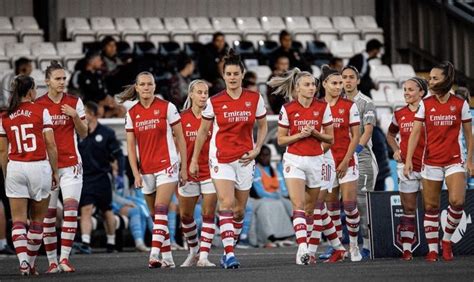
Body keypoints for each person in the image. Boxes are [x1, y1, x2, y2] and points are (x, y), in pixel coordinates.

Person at [189, 49, 268, 269]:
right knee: (226, 203)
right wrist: (195, 159)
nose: (232, 77)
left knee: (239, 210)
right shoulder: (214, 101)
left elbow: (263, 125)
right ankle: (229, 253)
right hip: (221, 158)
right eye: (228, 74)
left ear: (242, 74)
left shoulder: (254, 98)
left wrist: (257, 148)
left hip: (245, 159)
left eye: (236, 73)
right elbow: (203, 132)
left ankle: (228, 246)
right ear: (224, 76)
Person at [404, 61, 473, 262]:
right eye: (430, 78)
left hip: (454, 161)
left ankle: (447, 240)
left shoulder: (461, 104)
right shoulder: (426, 103)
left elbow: (469, 135)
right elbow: (415, 133)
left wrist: (470, 161)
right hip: (431, 162)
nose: (430, 81)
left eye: (435, 78)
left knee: (457, 202)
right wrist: (408, 159)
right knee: (431, 207)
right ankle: (433, 249)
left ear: (446, 80)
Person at [121, 71, 188, 268]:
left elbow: (180, 138)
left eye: (149, 84)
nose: (146, 87)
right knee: (155, 216)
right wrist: (135, 173)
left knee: (161, 210)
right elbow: (130, 147)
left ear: (154, 86)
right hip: (146, 170)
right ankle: (167, 257)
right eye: (142, 84)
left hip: (168, 165)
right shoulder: (132, 113)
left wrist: (183, 166)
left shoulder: (167, 107)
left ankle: (154, 254)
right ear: (136, 87)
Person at [269, 67, 334, 265]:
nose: (312, 88)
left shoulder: (323, 107)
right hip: (294, 160)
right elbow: (280, 140)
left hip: (316, 159)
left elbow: (330, 138)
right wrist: (300, 135)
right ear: (297, 88)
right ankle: (303, 248)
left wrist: (314, 133)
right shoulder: (288, 109)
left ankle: (310, 246)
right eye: (307, 85)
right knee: (298, 204)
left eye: (313, 84)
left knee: (310, 209)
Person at [0, 75, 59, 275]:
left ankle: (23, 262)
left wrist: (6, 173)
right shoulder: (42, 110)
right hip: (38, 166)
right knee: (37, 221)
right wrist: (55, 171)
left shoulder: (5, 115)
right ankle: (31, 263)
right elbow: (50, 144)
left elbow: (1, 151)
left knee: (18, 220)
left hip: (15, 166)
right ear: (31, 90)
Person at [36, 61, 88, 273]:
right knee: (48, 215)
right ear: (47, 81)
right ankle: (51, 262)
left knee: (70, 209)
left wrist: (75, 117)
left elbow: (84, 133)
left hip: (71, 164)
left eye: (64, 78)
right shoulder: (38, 105)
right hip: (47, 167)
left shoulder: (74, 102)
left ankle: (64, 258)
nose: (61, 82)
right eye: (57, 79)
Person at [320, 65, 362, 262]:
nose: (339, 86)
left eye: (340, 83)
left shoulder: (349, 106)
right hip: (326, 163)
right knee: (331, 208)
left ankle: (354, 246)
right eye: (334, 83)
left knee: (350, 205)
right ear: (324, 84)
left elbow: (356, 136)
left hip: (347, 161)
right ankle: (337, 248)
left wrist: (346, 160)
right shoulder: (317, 106)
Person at [386, 77, 428, 260]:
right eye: (404, 90)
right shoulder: (399, 113)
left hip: (429, 165)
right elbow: (390, 134)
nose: (406, 93)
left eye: (411, 90)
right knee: (408, 208)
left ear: (422, 92)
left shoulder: (430, 112)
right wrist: (395, 150)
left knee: (430, 208)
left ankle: (434, 247)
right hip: (406, 166)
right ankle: (407, 249)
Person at [178, 80, 218, 267]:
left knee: (208, 212)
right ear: (191, 94)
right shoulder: (180, 117)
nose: (203, 96)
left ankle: (204, 256)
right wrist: (179, 168)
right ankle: (193, 250)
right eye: (199, 92)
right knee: (185, 215)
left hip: (210, 169)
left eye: (206, 92)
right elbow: (174, 146)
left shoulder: (214, 117)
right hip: (187, 171)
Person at [77, 101, 125, 254]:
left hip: (102, 177)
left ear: (91, 114)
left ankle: (111, 242)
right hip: (85, 178)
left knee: (106, 210)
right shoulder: (78, 133)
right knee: (86, 209)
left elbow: (119, 154)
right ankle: (85, 242)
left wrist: (121, 175)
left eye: (84, 113)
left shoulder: (107, 133)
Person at [341, 65, 378, 258]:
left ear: (358, 80)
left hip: (361, 157)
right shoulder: (337, 102)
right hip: (340, 158)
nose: (347, 81)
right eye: (344, 77)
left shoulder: (366, 102)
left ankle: (369, 247)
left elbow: (368, 131)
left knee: (362, 204)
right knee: (343, 204)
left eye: (350, 77)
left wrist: (352, 154)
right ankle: (341, 247)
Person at [250, 145, 294, 247]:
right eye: (262, 155)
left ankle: (287, 236)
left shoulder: (275, 170)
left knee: (291, 205)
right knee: (269, 205)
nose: (265, 158)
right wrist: (277, 196)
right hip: (260, 199)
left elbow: (283, 189)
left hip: (276, 198)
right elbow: (260, 192)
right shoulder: (255, 170)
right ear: (258, 156)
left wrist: (283, 196)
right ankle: (268, 238)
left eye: (267, 155)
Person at [78, 52, 125, 118]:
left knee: (121, 109)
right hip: (89, 103)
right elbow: (86, 95)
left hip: (103, 102)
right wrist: (101, 102)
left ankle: (111, 127)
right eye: (99, 60)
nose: (101, 62)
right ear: (91, 61)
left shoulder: (98, 75)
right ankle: (94, 127)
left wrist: (109, 99)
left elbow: (103, 91)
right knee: (100, 110)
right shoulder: (82, 75)